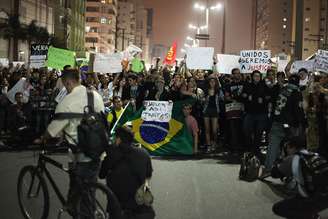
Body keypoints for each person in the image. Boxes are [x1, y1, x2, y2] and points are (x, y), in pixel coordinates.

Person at [34, 69, 105, 219]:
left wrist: (43, 138)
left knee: (85, 197)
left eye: (64, 85)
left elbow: (54, 130)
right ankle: (72, 206)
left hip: (80, 155)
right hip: (98, 151)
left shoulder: (66, 102)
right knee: (79, 184)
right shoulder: (96, 96)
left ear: (68, 82)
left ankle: (85, 214)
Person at [99, 127, 155, 219]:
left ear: (118, 139)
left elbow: (101, 175)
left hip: (118, 207)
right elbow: (148, 175)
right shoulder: (144, 153)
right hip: (140, 206)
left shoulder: (112, 154)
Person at [271, 136, 328, 219]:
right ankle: (311, 213)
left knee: (278, 208)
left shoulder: (292, 158)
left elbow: (274, 173)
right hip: (324, 196)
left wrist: (282, 157)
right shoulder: (315, 155)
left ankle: (310, 216)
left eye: (287, 148)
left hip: (315, 199)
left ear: (291, 147)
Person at [263, 74, 307, 175]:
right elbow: (298, 110)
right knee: (292, 148)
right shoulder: (296, 92)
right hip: (290, 125)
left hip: (277, 122)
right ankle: (289, 172)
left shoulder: (283, 89)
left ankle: (267, 169)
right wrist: (303, 122)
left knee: (272, 147)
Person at [241, 70, 270, 156]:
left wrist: (263, 99)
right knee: (246, 130)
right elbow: (242, 95)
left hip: (261, 113)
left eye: (258, 76)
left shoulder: (264, 85)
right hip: (250, 112)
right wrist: (246, 97)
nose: (257, 77)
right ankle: (249, 147)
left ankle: (256, 149)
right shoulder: (247, 85)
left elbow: (269, 96)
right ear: (252, 77)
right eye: (255, 76)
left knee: (259, 132)